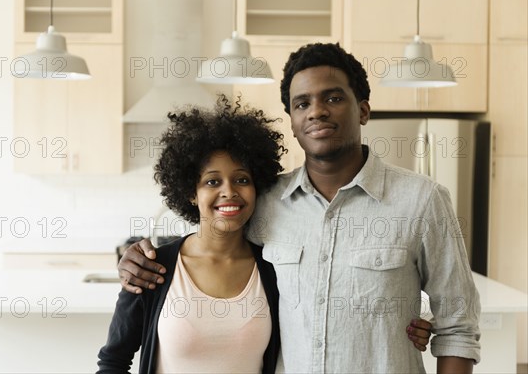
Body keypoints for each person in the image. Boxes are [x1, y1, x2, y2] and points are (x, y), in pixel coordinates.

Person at [119, 43, 481, 373]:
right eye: (302, 103)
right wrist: (137, 257)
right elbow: (215, 240)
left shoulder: (422, 200)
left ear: (364, 110)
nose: (317, 112)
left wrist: (422, 322)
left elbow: (458, 327)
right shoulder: (267, 202)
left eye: (334, 98)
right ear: (292, 122)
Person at [97, 97, 284, 373]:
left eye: (242, 179)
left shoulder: (274, 268)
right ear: (190, 193)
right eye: (212, 181)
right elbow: (113, 362)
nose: (229, 191)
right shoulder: (154, 269)